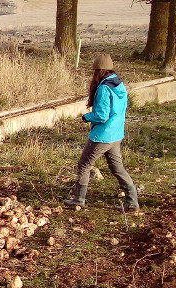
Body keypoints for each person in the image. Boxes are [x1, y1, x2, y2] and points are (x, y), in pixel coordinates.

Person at [63, 54, 139, 212]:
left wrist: (87, 117)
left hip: (102, 136)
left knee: (84, 165)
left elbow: (102, 115)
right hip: (116, 134)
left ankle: (78, 199)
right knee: (117, 168)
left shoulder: (104, 88)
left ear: (98, 71)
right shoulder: (118, 84)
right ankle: (132, 201)